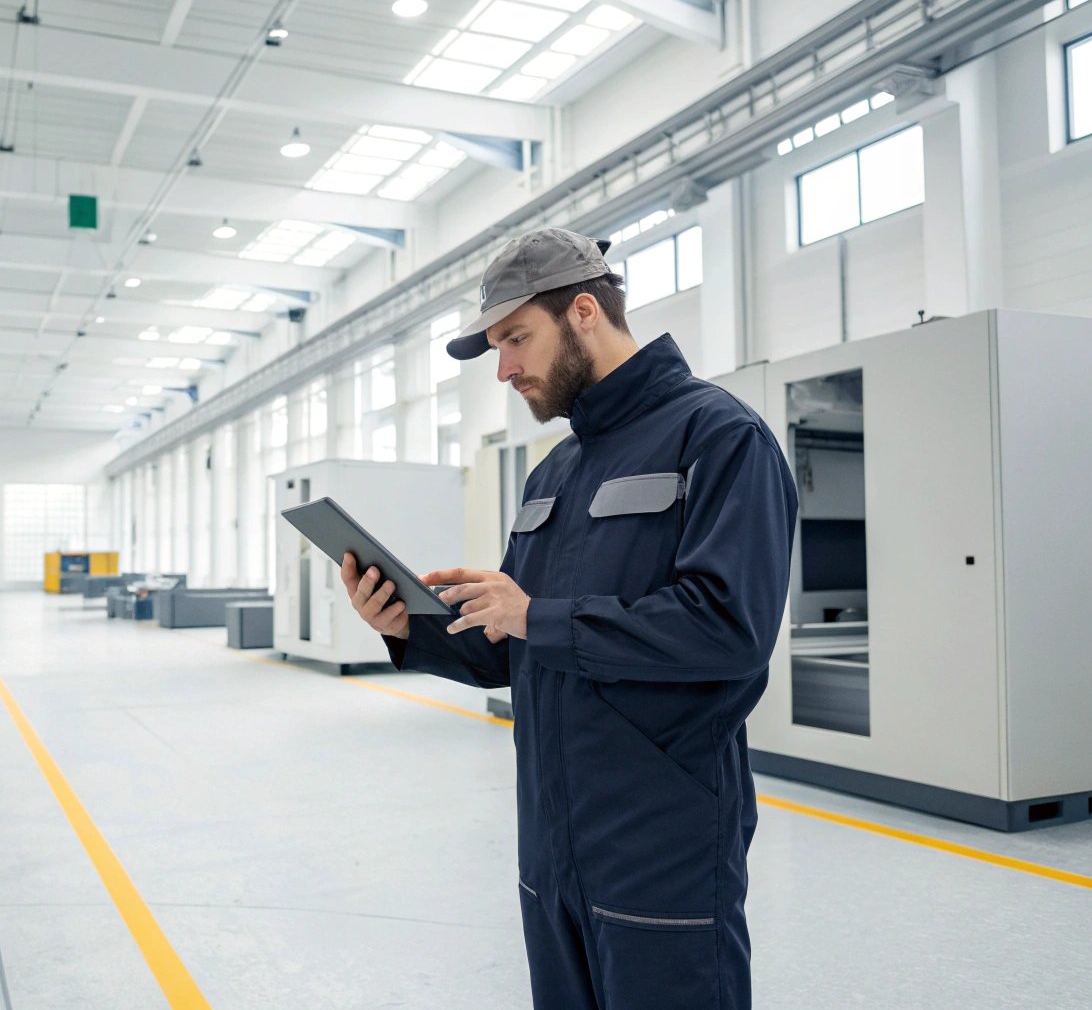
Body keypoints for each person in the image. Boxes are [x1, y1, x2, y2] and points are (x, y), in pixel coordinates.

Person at [339, 227, 798, 1010]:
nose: (505, 369)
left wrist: (538, 616)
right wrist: (403, 624)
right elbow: (516, 647)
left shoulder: (719, 437)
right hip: (550, 844)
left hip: (661, 841)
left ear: (585, 310)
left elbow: (730, 628)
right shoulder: (557, 467)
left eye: (516, 339)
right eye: (496, 348)